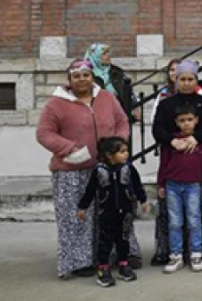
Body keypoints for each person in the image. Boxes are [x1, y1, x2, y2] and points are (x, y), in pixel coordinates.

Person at [36, 59, 132, 279]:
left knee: (112, 214)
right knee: (78, 216)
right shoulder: (56, 104)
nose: (82, 79)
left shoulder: (106, 98)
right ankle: (79, 261)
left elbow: (122, 121)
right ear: (69, 79)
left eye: (86, 75)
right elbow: (44, 133)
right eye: (76, 76)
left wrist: (117, 144)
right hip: (72, 170)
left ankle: (115, 255)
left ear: (92, 77)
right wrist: (69, 148)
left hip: (108, 168)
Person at [151, 59, 202, 265]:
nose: (186, 83)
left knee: (197, 212)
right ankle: (172, 251)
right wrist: (172, 140)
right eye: (182, 79)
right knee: (174, 215)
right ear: (175, 80)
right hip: (174, 160)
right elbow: (158, 130)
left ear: (196, 80)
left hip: (199, 160)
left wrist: (197, 138)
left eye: (190, 79)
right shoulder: (166, 104)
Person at [77, 137, 148, 287]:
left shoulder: (128, 168)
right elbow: (90, 190)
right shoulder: (99, 171)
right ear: (110, 155)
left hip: (126, 211)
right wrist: (83, 206)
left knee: (123, 239)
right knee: (105, 241)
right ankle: (103, 269)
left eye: (126, 151)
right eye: (122, 152)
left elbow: (137, 185)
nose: (126, 154)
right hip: (107, 212)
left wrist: (143, 200)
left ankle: (123, 265)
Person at [157, 102, 202, 274]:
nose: (186, 123)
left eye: (190, 119)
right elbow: (163, 164)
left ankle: (196, 253)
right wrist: (161, 184)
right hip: (172, 185)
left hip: (194, 186)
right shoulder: (171, 143)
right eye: (182, 120)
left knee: (194, 220)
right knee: (175, 222)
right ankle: (176, 255)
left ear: (196, 120)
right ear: (176, 122)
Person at [84, 43, 134, 124]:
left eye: (108, 53)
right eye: (104, 54)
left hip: (118, 117)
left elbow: (128, 91)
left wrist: (134, 107)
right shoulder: (85, 74)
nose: (108, 56)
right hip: (96, 120)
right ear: (95, 56)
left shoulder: (116, 72)